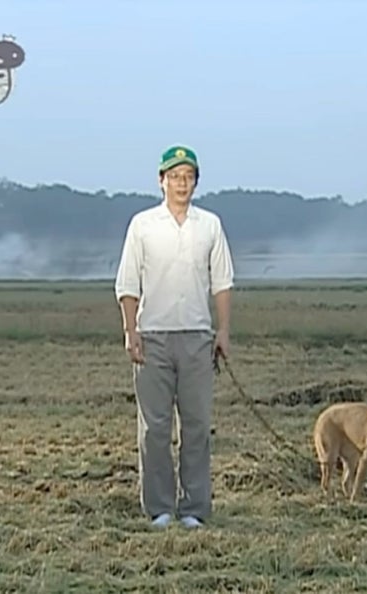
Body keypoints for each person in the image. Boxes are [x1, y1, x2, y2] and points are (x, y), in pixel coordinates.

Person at [114, 145, 235, 529]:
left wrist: (223, 330)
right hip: (152, 337)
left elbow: (222, 282)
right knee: (155, 428)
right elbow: (127, 283)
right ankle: (160, 508)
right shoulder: (143, 225)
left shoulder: (209, 225)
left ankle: (194, 508)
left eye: (189, 177)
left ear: (196, 182)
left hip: (197, 337)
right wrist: (130, 331)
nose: (182, 183)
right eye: (175, 176)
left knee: (196, 425)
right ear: (161, 180)